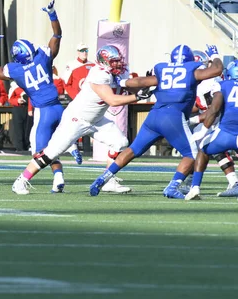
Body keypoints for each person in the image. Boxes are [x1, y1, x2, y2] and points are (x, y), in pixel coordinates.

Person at [9, 44, 151, 195]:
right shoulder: (98, 74)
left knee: (120, 142)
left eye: (118, 60)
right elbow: (112, 100)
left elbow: (127, 85)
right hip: (76, 119)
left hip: (96, 120)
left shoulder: (119, 72)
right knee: (51, 152)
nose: (117, 64)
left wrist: (145, 86)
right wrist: (137, 97)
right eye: (113, 61)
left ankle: (109, 181)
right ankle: (21, 181)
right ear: (103, 62)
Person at [89, 44, 224, 199]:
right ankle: (172, 187)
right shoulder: (192, 70)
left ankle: (103, 178)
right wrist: (215, 56)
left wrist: (121, 82)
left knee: (133, 150)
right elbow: (217, 70)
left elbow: (143, 81)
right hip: (173, 116)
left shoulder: (163, 69)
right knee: (192, 154)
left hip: (154, 116)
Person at [0, 1, 84, 194]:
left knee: (39, 152)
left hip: (43, 112)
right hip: (59, 108)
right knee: (52, 147)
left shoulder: (16, 69)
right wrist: (52, 14)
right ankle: (59, 176)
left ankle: (21, 181)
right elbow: (57, 35)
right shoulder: (43, 57)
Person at [182, 50, 238, 197]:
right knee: (206, 145)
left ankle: (191, 183)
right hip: (219, 121)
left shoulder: (214, 83)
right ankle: (233, 182)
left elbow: (213, 109)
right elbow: (199, 105)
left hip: (219, 122)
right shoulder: (203, 83)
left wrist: (193, 120)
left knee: (202, 144)